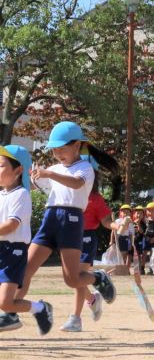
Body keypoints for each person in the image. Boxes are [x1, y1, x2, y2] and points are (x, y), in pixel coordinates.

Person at [0, 122, 116, 332]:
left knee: (72, 279)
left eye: (62, 148)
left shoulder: (85, 168)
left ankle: (98, 277)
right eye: (54, 149)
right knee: (25, 268)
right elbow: (32, 186)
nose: (58, 153)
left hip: (70, 220)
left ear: (78, 145)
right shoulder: (53, 169)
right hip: (50, 217)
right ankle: (10, 313)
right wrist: (29, 177)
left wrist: (50, 175)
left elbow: (76, 184)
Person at [0, 145, 53, 335]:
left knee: (6, 303)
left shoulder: (21, 195)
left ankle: (40, 308)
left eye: (1, 166)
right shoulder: (1, 195)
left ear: (18, 170)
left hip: (12, 253)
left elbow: (10, 226)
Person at [63, 187, 114, 331]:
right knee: (72, 279)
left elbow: (106, 220)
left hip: (86, 237)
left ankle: (75, 319)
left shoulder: (95, 198)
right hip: (68, 238)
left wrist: (117, 226)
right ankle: (92, 298)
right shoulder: (66, 192)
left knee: (77, 277)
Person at [113, 204, 135, 272]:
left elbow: (131, 234)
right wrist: (111, 240)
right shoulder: (117, 221)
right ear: (121, 212)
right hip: (118, 238)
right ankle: (117, 268)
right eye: (124, 211)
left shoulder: (130, 223)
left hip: (125, 239)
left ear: (130, 213)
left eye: (127, 212)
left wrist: (131, 243)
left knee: (124, 254)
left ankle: (123, 269)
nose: (125, 213)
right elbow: (113, 231)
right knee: (117, 254)